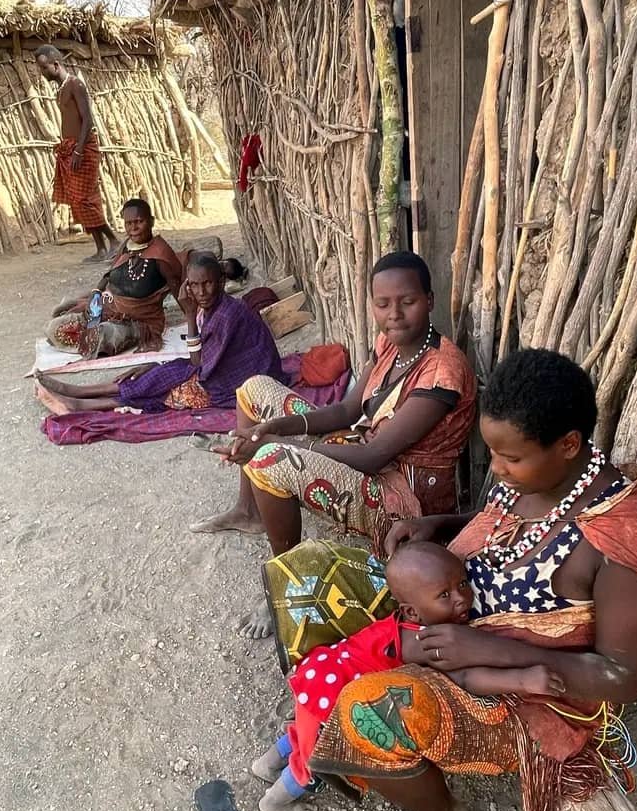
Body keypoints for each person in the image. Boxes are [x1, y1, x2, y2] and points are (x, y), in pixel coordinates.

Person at [262, 349, 637, 811]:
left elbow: (623, 676)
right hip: (452, 618)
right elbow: (503, 520)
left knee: (368, 710)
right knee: (308, 583)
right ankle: (308, 735)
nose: (498, 470)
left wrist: (478, 646)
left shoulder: (622, 544)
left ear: (570, 445)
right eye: (495, 454)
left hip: (524, 692)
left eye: (510, 459)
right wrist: (437, 523)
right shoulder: (540, 474)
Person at [192, 251, 477, 640]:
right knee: (253, 389)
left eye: (407, 302)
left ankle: (286, 584)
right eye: (382, 303)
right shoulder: (390, 345)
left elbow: (375, 456)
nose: (394, 313)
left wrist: (274, 441)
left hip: (405, 497)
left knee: (270, 459)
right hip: (363, 448)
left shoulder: (442, 372)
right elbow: (345, 409)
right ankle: (250, 511)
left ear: (429, 300)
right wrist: (275, 424)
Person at [252, 542, 563, 811]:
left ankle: (267, 765)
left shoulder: (415, 624)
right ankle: (274, 801)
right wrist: (521, 679)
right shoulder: (431, 643)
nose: (461, 598)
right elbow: (465, 677)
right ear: (412, 611)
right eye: (445, 595)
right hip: (332, 695)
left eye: (463, 584)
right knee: (310, 758)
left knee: (302, 733)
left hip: (322, 676)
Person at [35, 253, 285, 415]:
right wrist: (157, 364)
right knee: (158, 373)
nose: (201, 291)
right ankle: (82, 394)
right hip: (226, 372)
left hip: (241, 385)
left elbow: (200, 363)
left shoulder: (226, 314)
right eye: (194, 285)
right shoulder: (214, 308)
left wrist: (188, 315)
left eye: (208, 283)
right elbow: (202, 358)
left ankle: (80, 402)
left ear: (221, 282)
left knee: (164, 388)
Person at [44, 199, 182, 358]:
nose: (133, 228)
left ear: (151, 221)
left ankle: (100, 331)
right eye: (128, 224)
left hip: (139, 322)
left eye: (139, 222)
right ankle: (88, 320)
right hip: (109, 308)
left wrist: (196, 328)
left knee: (101, 337)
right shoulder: (127, 246)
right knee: (56, 328)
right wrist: (96, 295)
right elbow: (108, 276)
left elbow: (179, 290)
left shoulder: (161, 254)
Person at [34, 44, 118, 261]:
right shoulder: (61, 88)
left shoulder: (75, 85)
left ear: (55, 64)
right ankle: (101, 248)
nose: (42, 73)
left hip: (83, 148)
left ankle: (114, 241)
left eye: (44, 68)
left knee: (85, 199)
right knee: (77, 200)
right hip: (70, 147)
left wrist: (79, 150)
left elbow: (87, 119)